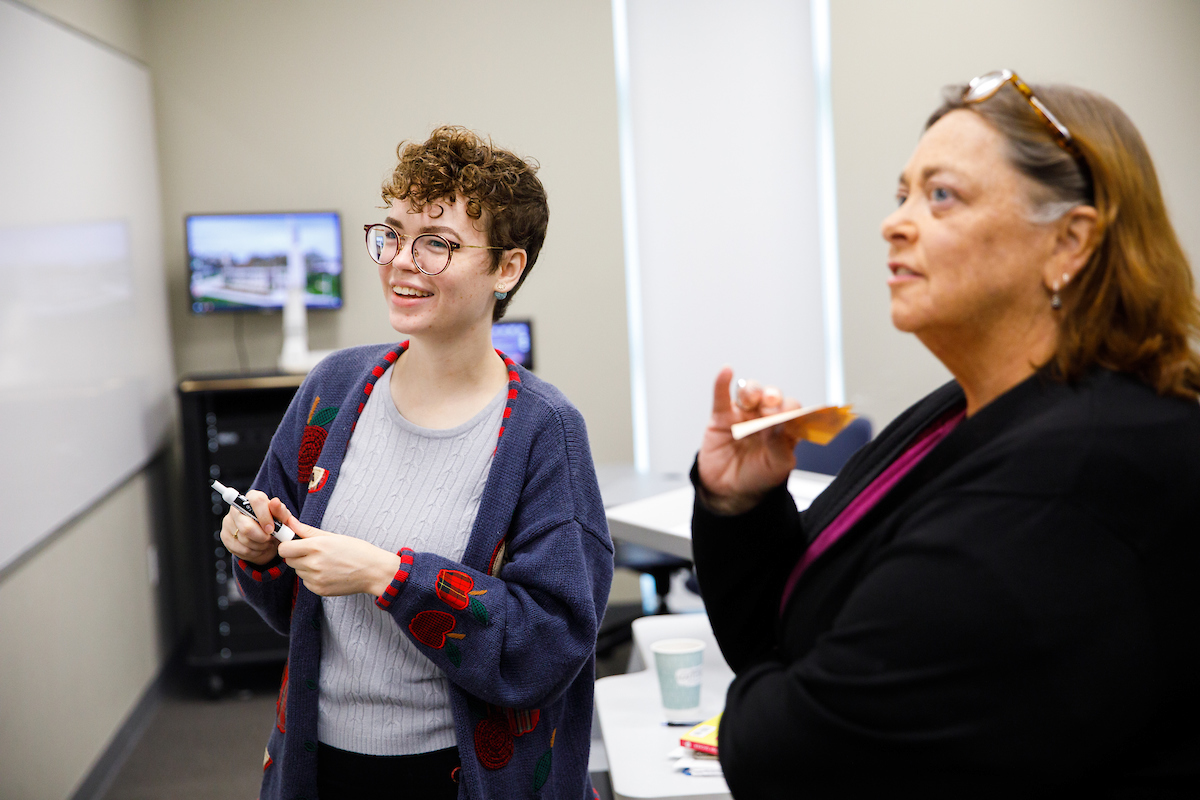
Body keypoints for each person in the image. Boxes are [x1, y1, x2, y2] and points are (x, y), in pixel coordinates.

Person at [691, 71, 1200, 798]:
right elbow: (793, 630)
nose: (895, 222)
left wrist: (775, 701)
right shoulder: (968, 409)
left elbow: (794, 756)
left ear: (1070, 241)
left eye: (942, 196)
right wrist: (741, 507)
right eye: (902, 194)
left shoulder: (1076, 468)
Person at [220, 126, 613, 800]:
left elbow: (550, 641)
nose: (402, 261)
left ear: (508, 268)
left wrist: (388, 575)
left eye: (438, 243)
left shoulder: (545, 432)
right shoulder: (332, 391)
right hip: (320, 763)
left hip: (458, 776)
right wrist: (256, 547)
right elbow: (288, 604)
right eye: (393, 234)